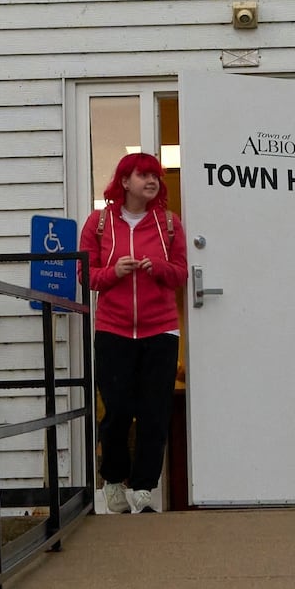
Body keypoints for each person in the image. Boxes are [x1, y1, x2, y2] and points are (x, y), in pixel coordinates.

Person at [85, 150, 186, 513]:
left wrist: (157, 267)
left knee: (154, 411)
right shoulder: (99, 223)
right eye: (143, 174)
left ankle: (144, 487)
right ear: (124, 181)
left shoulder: (168, 224)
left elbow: (180, 274)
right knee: (116, 410)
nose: (152, 180)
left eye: (155, 175)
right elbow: (85, 274)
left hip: (160, 330)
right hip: (113, 330)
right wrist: (114, 273)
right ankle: (113, 480)